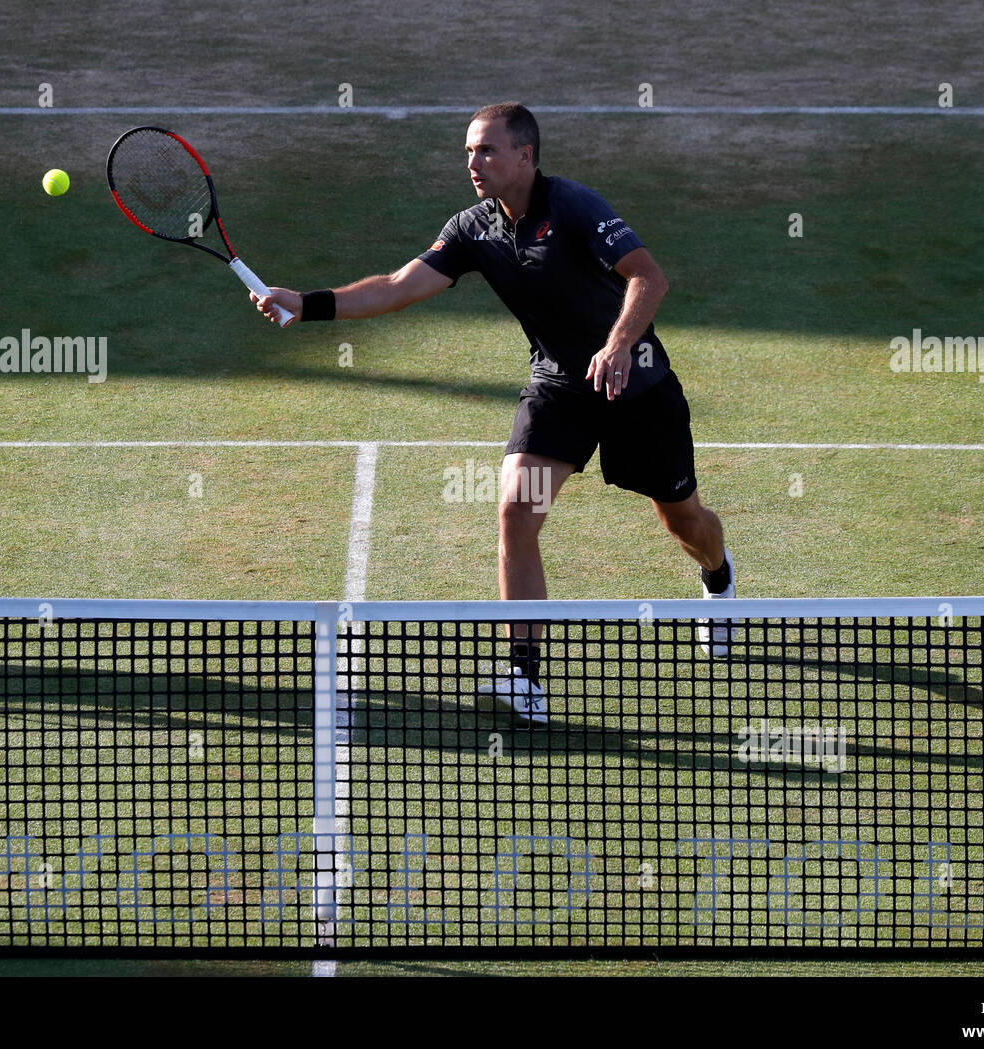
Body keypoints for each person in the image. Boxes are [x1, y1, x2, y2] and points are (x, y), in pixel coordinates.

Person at [255, 101, 735, 723]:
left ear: (525, 157)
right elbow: (401, 287)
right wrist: (305, 302)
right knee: (515, 511)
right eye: (468, 151)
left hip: (634, 387)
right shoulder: (473, 228)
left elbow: (649, 277)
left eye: (486, 150)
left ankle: (719, 579)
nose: (473, 163)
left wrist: (618, 345)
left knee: (683, 520)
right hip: (560, 389)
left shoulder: (574, 207)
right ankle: (525, 678)